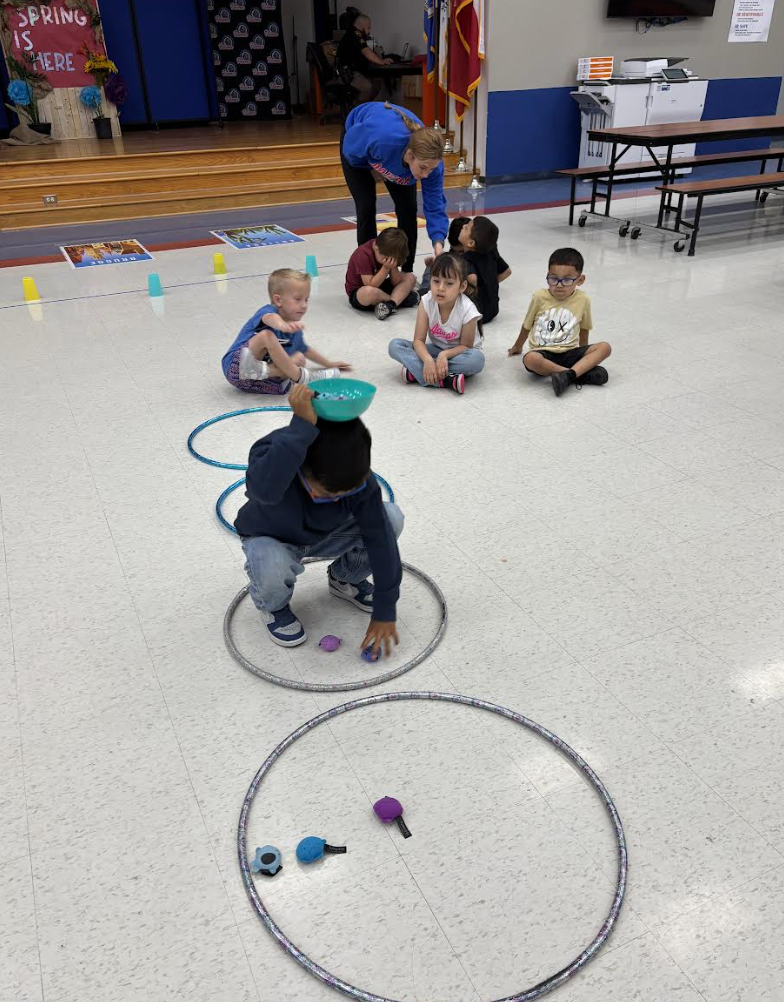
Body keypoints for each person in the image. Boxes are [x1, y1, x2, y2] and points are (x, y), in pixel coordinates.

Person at [235, 384, 404, 657]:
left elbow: (381, 542)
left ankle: (344, 579)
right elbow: (263, 491)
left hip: (329, 533)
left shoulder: (359, 480)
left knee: (390, 518)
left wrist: (386, 609)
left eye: (347, 492)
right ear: (301, 468)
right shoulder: (278, 454)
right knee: (269, 559)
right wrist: (300, 428)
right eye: (328, 492)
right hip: (275, 537)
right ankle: (274, 606)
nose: (338, 498)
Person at [341, 101, 448, 274]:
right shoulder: (381, 140)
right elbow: (350, 147)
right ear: (410, 155)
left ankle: (406, 270)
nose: (426, 175)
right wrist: (371, 166)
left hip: (392, 156)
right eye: (423, 168)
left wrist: (438, 243)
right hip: (357, 143)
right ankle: (368, 270)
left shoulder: (431, 164)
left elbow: (435, 206)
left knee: (408, 208)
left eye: (432, 169)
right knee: (366, 206)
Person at [221, 268, 350, 394]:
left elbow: (306, 350)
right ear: (278, 300)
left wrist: (329, 363)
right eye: (298, 299)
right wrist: (282, 325)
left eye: (306, 299)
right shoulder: (268, 311)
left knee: (299, 358)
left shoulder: (295, 331)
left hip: (260, 381)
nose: (304, 305)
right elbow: (271, 319)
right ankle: (301, 377)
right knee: (266, 336)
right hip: (236, 368)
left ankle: (265, 370)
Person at [507, 248, 612, 397]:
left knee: (605, 347)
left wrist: (584, 355)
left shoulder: (583, 299)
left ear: (580, 280)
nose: (559, 284)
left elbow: (584, 328)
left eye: (567, 280)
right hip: (543, 353)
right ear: (547, 276)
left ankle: (566, 375)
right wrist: (517, 346)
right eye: (553, 278)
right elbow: (527, 325)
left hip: (570, 351)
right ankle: (576, 374)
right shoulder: (539, 296)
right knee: (530, 359)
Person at [388, 252, 484, 395]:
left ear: (462, 286)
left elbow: (465, 346)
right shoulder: (426, 301)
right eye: (436, 281)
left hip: (459, 354)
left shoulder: (468, 309)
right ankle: (445, 379)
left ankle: (417, 372)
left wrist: (444, 356)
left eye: (449, 283)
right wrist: (427, 359)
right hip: (436, 349)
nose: (440, 288)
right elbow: (418, 340)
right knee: (395, 345)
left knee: (477, 360)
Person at [345, 226, 419, 321]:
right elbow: (370, 285)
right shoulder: (363, 254)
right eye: (386, 258)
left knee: (410, 277)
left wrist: (393, 267)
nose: (388, 260)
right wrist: (386, 267)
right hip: (361, 293)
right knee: (368, 292)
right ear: (376, 246)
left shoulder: (387, 252)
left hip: (380, 287)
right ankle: (401, 300)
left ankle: (390, 305)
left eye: (392, 259)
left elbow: (396, 282)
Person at [460, 216, 512, 324]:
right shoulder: (491, 252)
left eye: (466, 228)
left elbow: (472, 279)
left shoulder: (466, 259)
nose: (463, 226)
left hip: (476, 313)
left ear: (471, 243)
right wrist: (488, 283)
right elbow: (507, 272)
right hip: (493, 310)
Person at [336, 9, 392, 106]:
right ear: (362, 26)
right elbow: (366, 51)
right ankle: (357, 111)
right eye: (368, 27)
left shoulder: (357, 35)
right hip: (347, 72)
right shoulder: (354, 34)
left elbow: (366, 51)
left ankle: (363, 107)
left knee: (376, 84)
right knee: (367, 87)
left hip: (356, 70)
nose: (369, 31)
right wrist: (381, 61)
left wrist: (379, 58)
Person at [419, 215, 468, 295]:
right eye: (454, 251)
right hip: (432, 291)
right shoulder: (450, 257)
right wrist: (433, 267)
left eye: (461, 252)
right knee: (436, 264)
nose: (458, 255)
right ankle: (423, 291)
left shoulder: (475, 260)